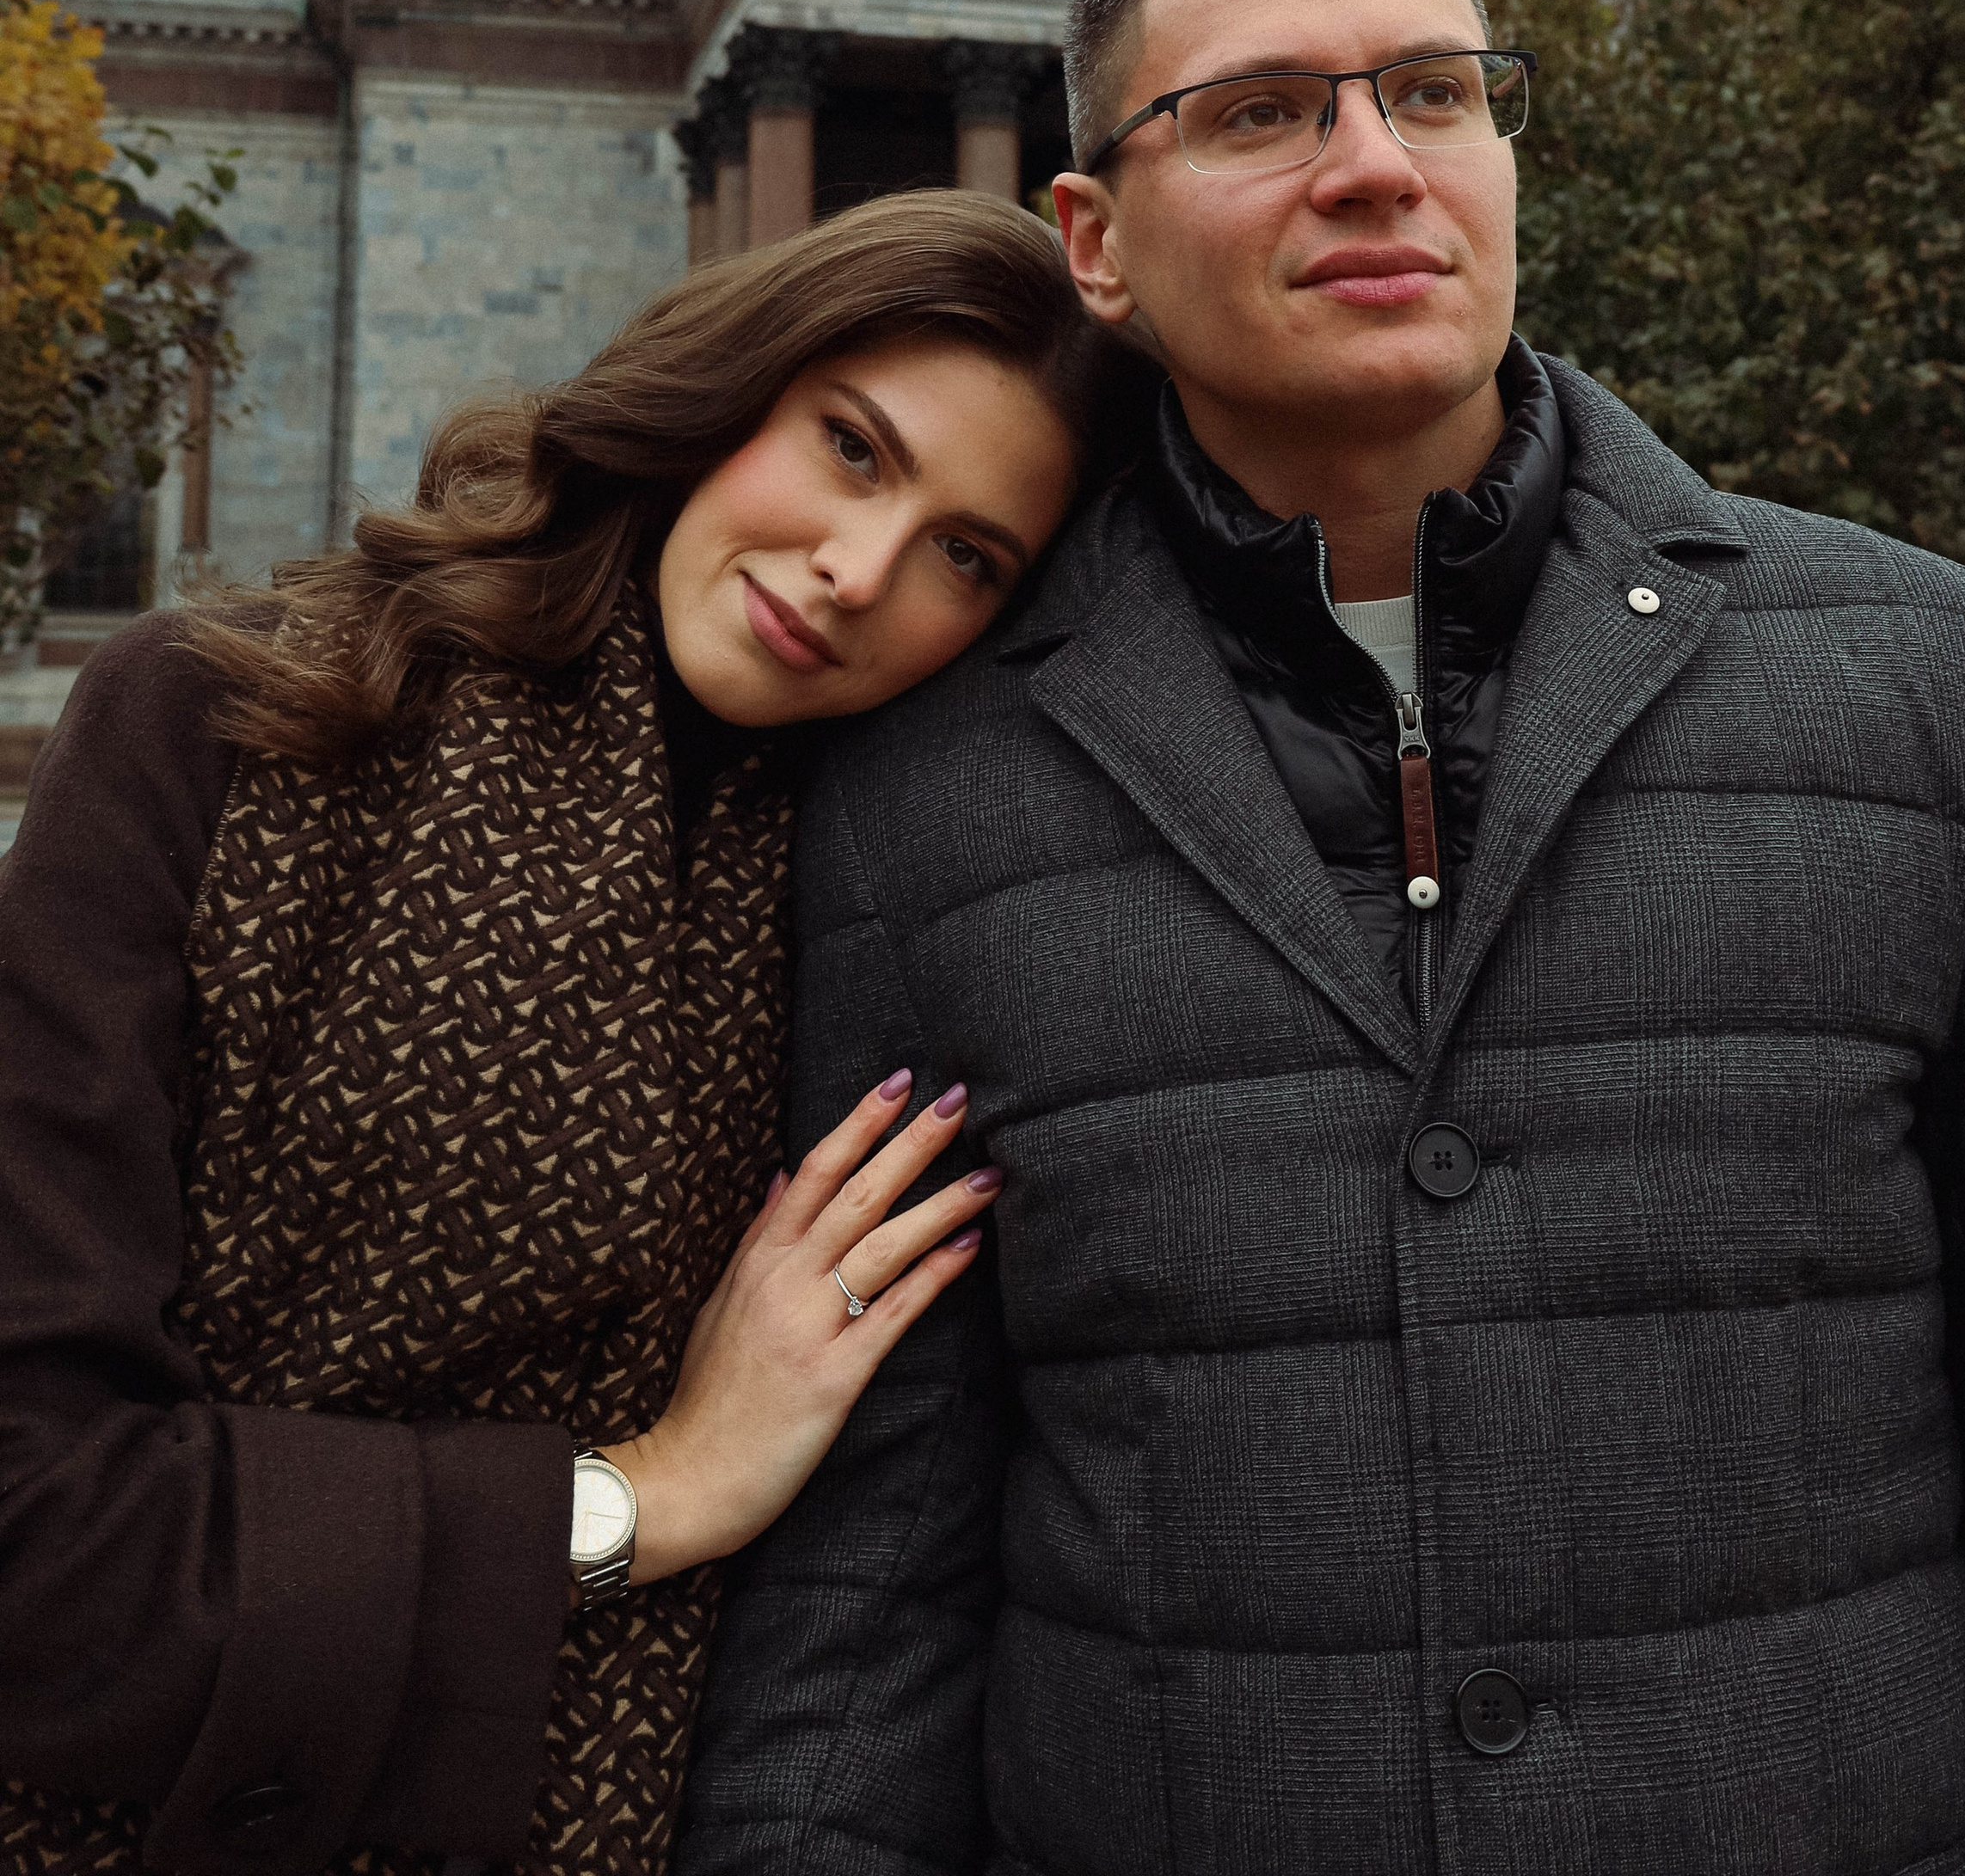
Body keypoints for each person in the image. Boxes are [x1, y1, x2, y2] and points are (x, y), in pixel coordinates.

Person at [681, 0, 1965, 1874]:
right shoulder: (919, 782)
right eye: (1255, 115)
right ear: (1092, 242)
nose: (1375, 162)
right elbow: (869, 1591)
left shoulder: (1941, 690)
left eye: (1433, 92)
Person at [0, 192, 1138, 1876]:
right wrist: (644, 1499)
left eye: (967, 557)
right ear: (729, 386)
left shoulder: (889, 915)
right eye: (849, 448)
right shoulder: (228, 723)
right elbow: (32, 1526)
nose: (856, 572)